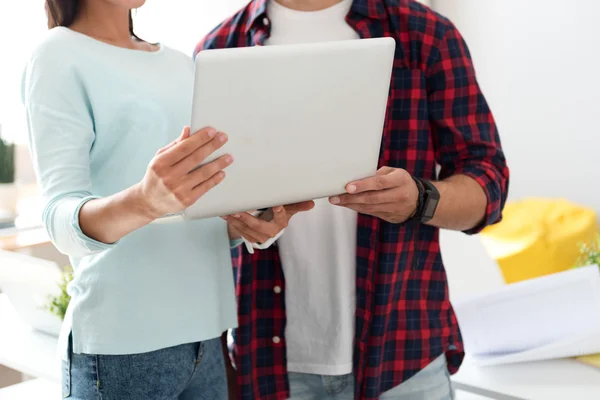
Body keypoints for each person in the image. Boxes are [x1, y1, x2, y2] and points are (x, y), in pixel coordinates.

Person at [196, 0, 510, 399]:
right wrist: (239, 222)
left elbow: (489, 185)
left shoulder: (426, 34)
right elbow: (202, 206)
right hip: (268, 361)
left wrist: (421, 199)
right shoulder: (220, 48)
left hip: (405, 358)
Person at [22, 1, 312, 399]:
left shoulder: (182, 64)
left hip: (208, 338)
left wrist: (249, 223)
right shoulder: (56, 55)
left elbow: (194, 208)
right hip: (122, 350)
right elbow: (60, 222)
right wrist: (145, 201)